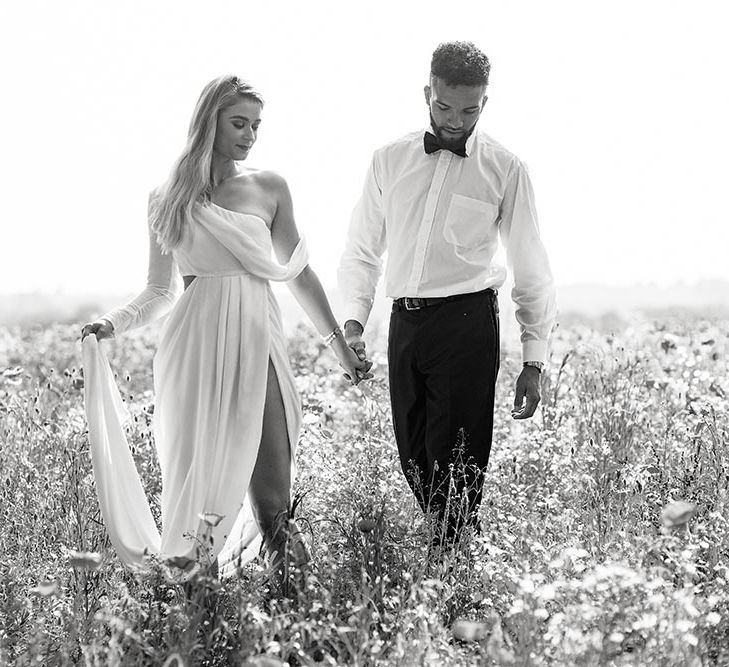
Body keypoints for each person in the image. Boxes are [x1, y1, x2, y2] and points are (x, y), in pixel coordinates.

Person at [81, 75, 371, 589]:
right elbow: (159, 291)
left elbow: (299, 271)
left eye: (256, 125)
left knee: (275, 505)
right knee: (199, 506)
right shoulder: (166, 197)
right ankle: (201, 620)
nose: (250, 135)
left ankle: (299, 618)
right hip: (193, 351)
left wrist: (338, 347)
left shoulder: (269, 187)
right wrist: (112, 323)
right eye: (239, 123)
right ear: (207, 120)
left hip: (258, 346)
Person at [338, 41, 557, 545]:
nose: (456, 121)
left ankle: (454, 570)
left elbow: (531, 264)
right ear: (426, 94)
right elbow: (361, 250)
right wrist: (353, 325)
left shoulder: (505, 168)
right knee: (413, 458)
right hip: (404, 324)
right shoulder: (387, 161)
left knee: (456, 463)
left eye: (469, 109)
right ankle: (455, 549)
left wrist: (534, 359)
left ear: (485, 102)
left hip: (466, 323)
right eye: (444, 107)